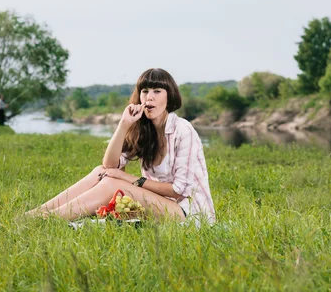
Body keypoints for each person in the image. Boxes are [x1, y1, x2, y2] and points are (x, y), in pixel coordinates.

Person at [26, 68, 215, 225]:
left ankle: (46, 220)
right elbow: (109, 165)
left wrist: (129, 178)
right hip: (159, 203)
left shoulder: (183, 130)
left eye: (157, 91)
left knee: (113, 183)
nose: (149, 97)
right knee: (101, 171)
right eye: (145, 91)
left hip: (189, 214)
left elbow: (179, 190)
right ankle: (37, 213)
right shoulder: (143, 128)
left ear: (169, 96)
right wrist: (124, 124)